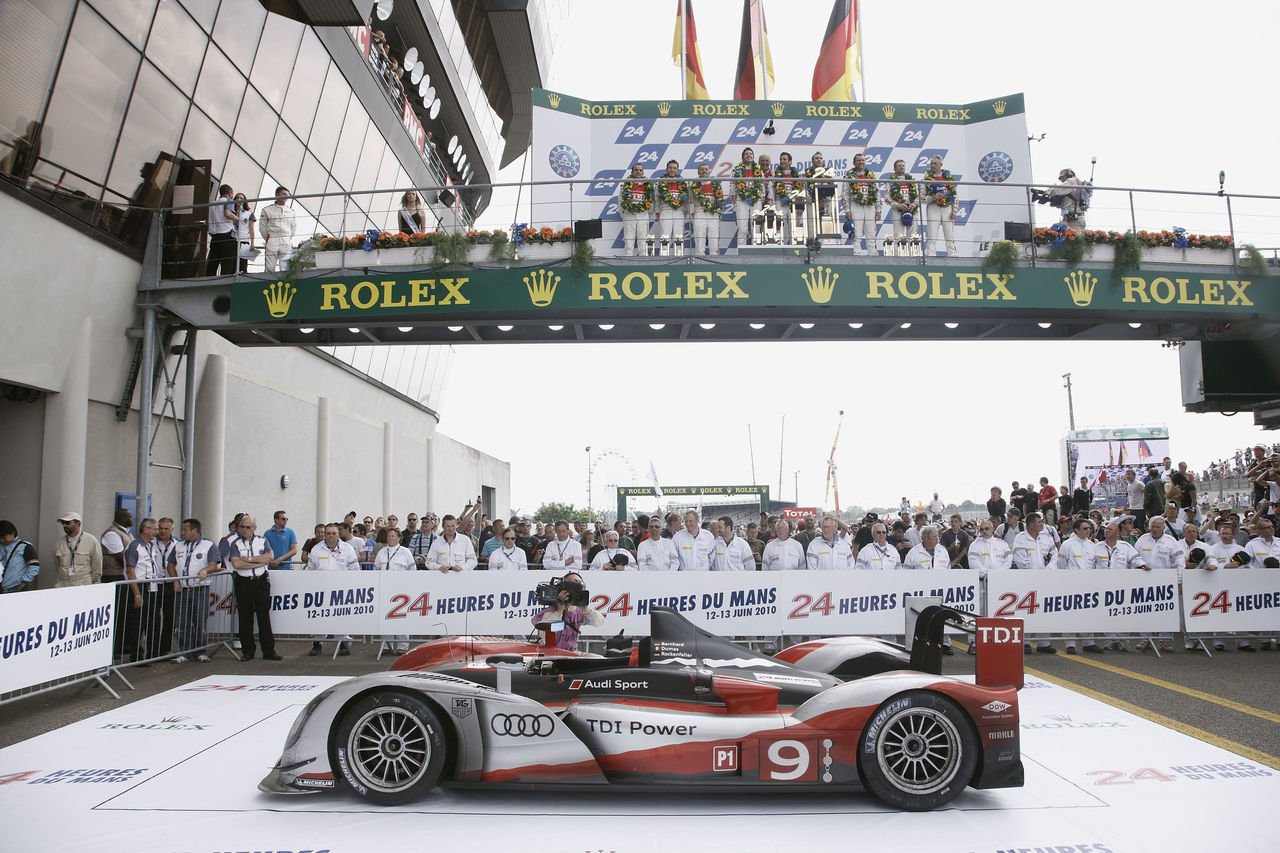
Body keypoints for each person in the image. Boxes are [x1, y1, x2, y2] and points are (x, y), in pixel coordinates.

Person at [227, 514, 281, 661]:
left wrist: (249, 560)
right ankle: (248, 650)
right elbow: (237, 564)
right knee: (245, 617)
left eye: (248, 527)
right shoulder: (235, 544)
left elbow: (269, 556)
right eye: (242, 527)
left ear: (254, 528)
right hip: (243, 582)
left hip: (260, 581)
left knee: (264, 616)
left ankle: (268, 650)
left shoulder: (262, 541)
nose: (245, 530)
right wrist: (259, 562)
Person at [305, 522, 360, 656]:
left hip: (342, 590)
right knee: (318, 618)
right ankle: (317, 644)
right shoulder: (316, 549)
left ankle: (343, 644)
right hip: (320, 590)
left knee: (341, 617)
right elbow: (310, 570)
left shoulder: (348, 549)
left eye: (333, 533)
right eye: (328, 533)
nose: (330, 536)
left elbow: (355, 569)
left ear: (338, 534)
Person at [170, 517, 219, 662]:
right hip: (183, 589)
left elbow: (213, 564)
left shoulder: (208, 545)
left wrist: (205, 570)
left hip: (200, 589)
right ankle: (184, 652)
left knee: (199, 621)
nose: (183, 532)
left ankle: (200, 651)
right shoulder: (178, 545)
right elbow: (171, 564)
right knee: (182, 622)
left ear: (194, 531)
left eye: (185, 529)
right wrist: (176, 580)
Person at [1095, 519, 1146, 652]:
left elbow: (1136, 559)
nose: (1106, 531)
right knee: (1106, 615)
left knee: (1123, 614)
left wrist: (1142, 565)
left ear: (1117, 532)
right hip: (1103, 585)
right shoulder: (1097, 547)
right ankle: (1110, 640)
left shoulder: (1126, 546)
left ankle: (1123, 641)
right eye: (1106, 529)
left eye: (1110, 529)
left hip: (1122, 585)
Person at [1012, 513, 1058, 653]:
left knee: (1044, 610)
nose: (1042, 523)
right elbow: (1020, 559)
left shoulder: (1046, 537)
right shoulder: (1021, 538)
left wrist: (1048, 570)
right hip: (1027, 579)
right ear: (1031, 524)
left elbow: (1054, 553)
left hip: (1045, 579)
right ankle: (1024, 642)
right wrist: (1034, 573)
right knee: (1026, 610)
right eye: (1039, 521)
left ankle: (1044, 643)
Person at [123, 518, 167, 663]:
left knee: (154, 621)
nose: (156, 532)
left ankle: (153, 654)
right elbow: (130, 571)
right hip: (140, 587)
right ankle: (136, 655)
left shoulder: (150, 546)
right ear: (146, 529)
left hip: (152, 587)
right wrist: (136, 593)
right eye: (154, 529)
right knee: (138, 623)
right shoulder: (135, 546)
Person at [1056, 518, 1103, 655]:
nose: (1088, 531)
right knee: (1070, 613)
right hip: (1071, 583)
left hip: (1088, 584)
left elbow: (1094, 564)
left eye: (1089, 528)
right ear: (1076, 530)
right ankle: (1070, 643)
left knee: (1088, 613)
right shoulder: (1067, 545)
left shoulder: (1093, 545)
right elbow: (1061, 565)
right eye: (1084, 528)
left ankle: (1089, 642)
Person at [531, 571, 603, 651]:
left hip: (572, 653)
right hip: (551, 653)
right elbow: (544, 634)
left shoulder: (579, 612)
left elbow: (599, 622)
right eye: (569, 589)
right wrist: (559, 610)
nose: (572, 594)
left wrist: (586, 608)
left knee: (597, 658)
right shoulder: (550, 611)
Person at [101, 507, 136, 659]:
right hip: (114, 577)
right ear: (121, 517)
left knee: (125, 614)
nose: (132, 518)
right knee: (116, 614)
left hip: (124, 577)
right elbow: (121, 556)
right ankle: (113, 649)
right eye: (129, 516)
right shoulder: (112, 533)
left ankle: (122, 645)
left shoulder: (126, 532)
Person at [374, 527, 416, 653]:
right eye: (389, 536)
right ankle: (387, 645)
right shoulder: (382, 552)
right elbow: (376, 569)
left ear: (399, 538)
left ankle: (403, 646)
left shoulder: (405, 552)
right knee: (386, 617)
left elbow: (412, 570)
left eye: (393, 536)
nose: (390, 538)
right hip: (385, 589)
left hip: (401, 590)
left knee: (402, 617)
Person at [842, 153, 880, 255]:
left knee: (871, 230)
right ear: (854, 163)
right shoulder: (849, 175)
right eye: (858, 160)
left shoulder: (871, 175)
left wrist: (878, 209)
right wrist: (847, 209)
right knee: (856, 229)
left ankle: (872, 252)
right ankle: (856, 252)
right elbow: (845, 193)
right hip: (856, 205)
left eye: (862, 160)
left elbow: (877, 193)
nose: (861, 162)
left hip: (870, 205)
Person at [53, 512, 102, 587]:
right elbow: (57, 565)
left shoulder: (91, 540)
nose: (64, 525)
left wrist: (90, 583)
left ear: (78, 524)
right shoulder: (59, 542)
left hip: (83, 585)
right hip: (63, 585)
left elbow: (97, 566)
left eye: (67, 523)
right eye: (63, 523)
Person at [921, 155, 958, 256]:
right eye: (931, 163)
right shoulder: (926, 179)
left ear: (941, 165)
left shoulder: (948, 178)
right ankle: (930, 255)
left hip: (947, 207)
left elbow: (954, 195)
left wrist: (954, 210)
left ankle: (953, 254)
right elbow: (921, 198)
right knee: (932, 233)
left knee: (949, 233)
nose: (933, 165)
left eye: (935, 163)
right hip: (933, 207)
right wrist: (933, 197)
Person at [730, 147, 765, 247]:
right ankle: (741, 251)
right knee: (742, 228)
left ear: (753, 157)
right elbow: (732, 185)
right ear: (743, 157)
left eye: (751, 154)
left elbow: (762, 185)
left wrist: (760, 197)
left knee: (756, 227)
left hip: (756, 199)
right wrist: (735, 199)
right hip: (741, 200)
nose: (749, 155)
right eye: (746, 154)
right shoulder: (737, 170)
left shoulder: (758, 170)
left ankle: (756, 250)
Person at [654, 159, 689, 255]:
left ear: (677, 170)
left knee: (678, 238)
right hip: (665, 211)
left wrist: (685, 211)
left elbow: (686, 198)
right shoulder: (660, 182)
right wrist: (657, 211)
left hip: (679, 211)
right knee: (665, 237)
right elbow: (656, 198)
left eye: (674, 168)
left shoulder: (682, 182)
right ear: (666, 169)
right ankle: (664, 260)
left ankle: (679, 259)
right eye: (670, 168)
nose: (672, 170)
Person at [257, 185, 296, 273]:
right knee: (269, 267)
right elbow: (262, 227)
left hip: (286, 239)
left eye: (287, 194)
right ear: (277, 194)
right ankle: (267, 285)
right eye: (283, 194)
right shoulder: (267, 210)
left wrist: (288, 238)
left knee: (286, 267)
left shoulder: (291, 211)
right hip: (272, 238)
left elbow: (293, 228)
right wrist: (268, 238)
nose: (286, 196)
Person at [688, 163, 724, 256]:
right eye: (702, 169)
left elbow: (720, 199)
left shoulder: (715, 184)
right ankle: (699, 256)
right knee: (699, 236)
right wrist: (692, 213)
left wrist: (719, 210)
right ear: (698, 171)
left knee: (714, 236)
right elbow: (690, 201)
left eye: (706, 169)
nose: (704, 171)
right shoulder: (694, 185)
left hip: (713, 212)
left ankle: (714, 256)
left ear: (709, 171)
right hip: (699, 211)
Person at [884, 159, 919, 253]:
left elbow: (918, 196)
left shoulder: (911, 180)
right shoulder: (890, 181)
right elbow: (887, 198)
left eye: (903, 165)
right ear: (894, 169)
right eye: (899, 166)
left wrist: (914, 204)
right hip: (898, 210)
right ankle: (899, 255)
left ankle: (913, 255)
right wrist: (897, 205)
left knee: (912, 235)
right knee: (898, 235)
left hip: (911, 210)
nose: (901, 167)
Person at [771, 151, 806, 245]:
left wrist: (798, 201)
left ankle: (793, 245)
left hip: (793, 202)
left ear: (790, 162)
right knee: (781, 224)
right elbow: (771, 188)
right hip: (780, 201)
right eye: (781, 159)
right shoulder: (775, 174)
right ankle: (781, 245)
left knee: (793, 225)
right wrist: (772, 202)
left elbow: (801, 188)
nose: (782, 161)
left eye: (784, 159)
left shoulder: (796, 174)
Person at [618, 163, 652, 256]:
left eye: (640, 170)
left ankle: (643, 257)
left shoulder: (647, 184)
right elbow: (621, 199)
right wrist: (623, 213)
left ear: (643, 172)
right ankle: (628, 257)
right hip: (629, 214)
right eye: (636, 170)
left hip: (643, 214)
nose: (638, 172)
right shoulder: (626, 183)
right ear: (632, 172)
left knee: (643, 238)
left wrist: (649, 212)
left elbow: (651, 199)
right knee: (628, 238)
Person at [205, 183, 238, 276]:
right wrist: (238, 219)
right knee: (227, 262)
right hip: (227, 235)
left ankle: (208, 280)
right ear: (229, 193)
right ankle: (225, 280)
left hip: (215, 236)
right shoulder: (229, 202)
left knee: (213, 262)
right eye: (232, 193)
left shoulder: (211, 204)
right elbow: (228, 214)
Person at [0, 520, 39, 593]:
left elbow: (34, 567)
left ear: (12, 533)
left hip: (16, 590)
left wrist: (23, 583)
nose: (1, 540)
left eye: (3, 536)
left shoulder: (25, 546)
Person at [230, 192, 257, 273]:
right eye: (237, 198)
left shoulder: (249, 214)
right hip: (232, 240)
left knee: (243, 265)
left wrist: (252, 243)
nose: (239, 199)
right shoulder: (230, 212)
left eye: (241, 198)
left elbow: (251, 229)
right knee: (231, 264)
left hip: (244, 240)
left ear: (245, 201)